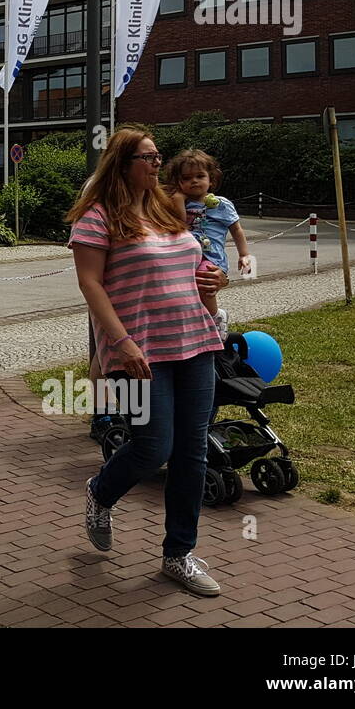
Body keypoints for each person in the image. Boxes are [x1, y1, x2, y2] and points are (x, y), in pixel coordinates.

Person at [67, 127, 228, 597]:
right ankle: (101, 492)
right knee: (153, 446)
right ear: (122, 162)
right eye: (148, 157)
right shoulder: (97, 219)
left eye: (159, 157)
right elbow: (90, 285)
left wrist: (212, 278)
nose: (158, 165)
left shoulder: (167, 207)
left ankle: (179, 554)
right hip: (138, 351)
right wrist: (120, 343)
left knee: (192, 451)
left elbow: (190, 263)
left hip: (196, 340)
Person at [162, 149, 251, 339]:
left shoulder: (221, 204)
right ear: (178, 182)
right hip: (186, 257)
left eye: (200, 176)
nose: (194, 181)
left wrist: (244, 255)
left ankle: (215, 317)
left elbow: (237, 229)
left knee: (205, 282)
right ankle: (201, 320)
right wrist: (178, 199)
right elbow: (179, 225)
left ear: (211, 179)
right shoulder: (178, 204)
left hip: (210, 256)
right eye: (186, 178)